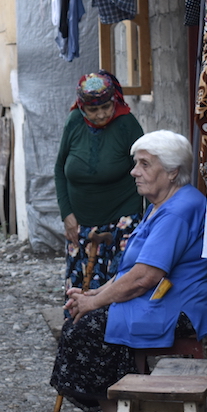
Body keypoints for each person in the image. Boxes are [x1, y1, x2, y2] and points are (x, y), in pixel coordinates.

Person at [52, 130, 207, 412]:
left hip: (178, 306)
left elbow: (145, 277)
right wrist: (93, 294)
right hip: (158, 297)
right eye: (136, 163)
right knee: (84, 317)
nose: (134, 172)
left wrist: (94, 304)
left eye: (144, 164)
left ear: (171, 172)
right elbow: (131, 269)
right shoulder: (161, 204)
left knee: (90, 326)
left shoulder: (179, 210)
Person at [53, 70, 145, 290]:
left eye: (106, 107)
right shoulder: (74, 121)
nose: (101, 115)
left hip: (122, 220)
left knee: (120, 287)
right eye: (93, 110)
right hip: (80, 224)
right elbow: (59, 169)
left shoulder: (127, 124)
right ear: (82, 108)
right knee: (82, 288)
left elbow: (148, 170)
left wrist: (149, 220)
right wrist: (67, 213)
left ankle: (116, 326)